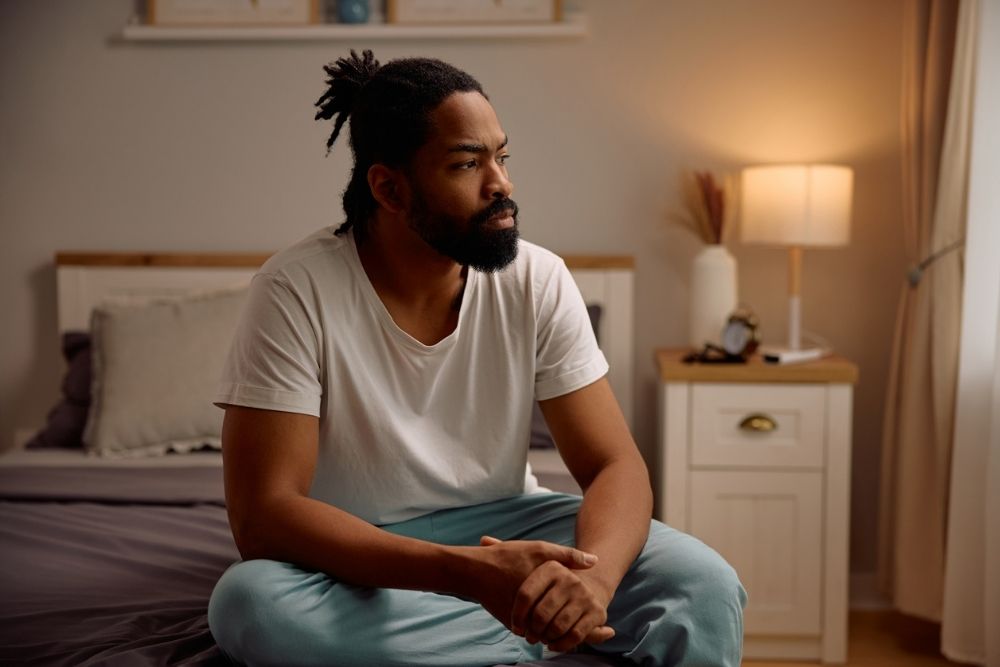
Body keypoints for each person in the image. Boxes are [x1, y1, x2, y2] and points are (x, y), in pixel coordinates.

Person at [207, 50, 746, 667]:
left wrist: (592, 585)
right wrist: (471, 576)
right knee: (252, 606)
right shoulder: (293, 289)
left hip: (511, 526)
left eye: (502, 156)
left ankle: (494, 627)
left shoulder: (537, 278)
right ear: (389, 187)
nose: (502, 184)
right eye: (467, 163)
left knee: (706, 585)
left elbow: (614, 463)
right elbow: (265, 517)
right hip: (360, 551)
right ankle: (529, 631)